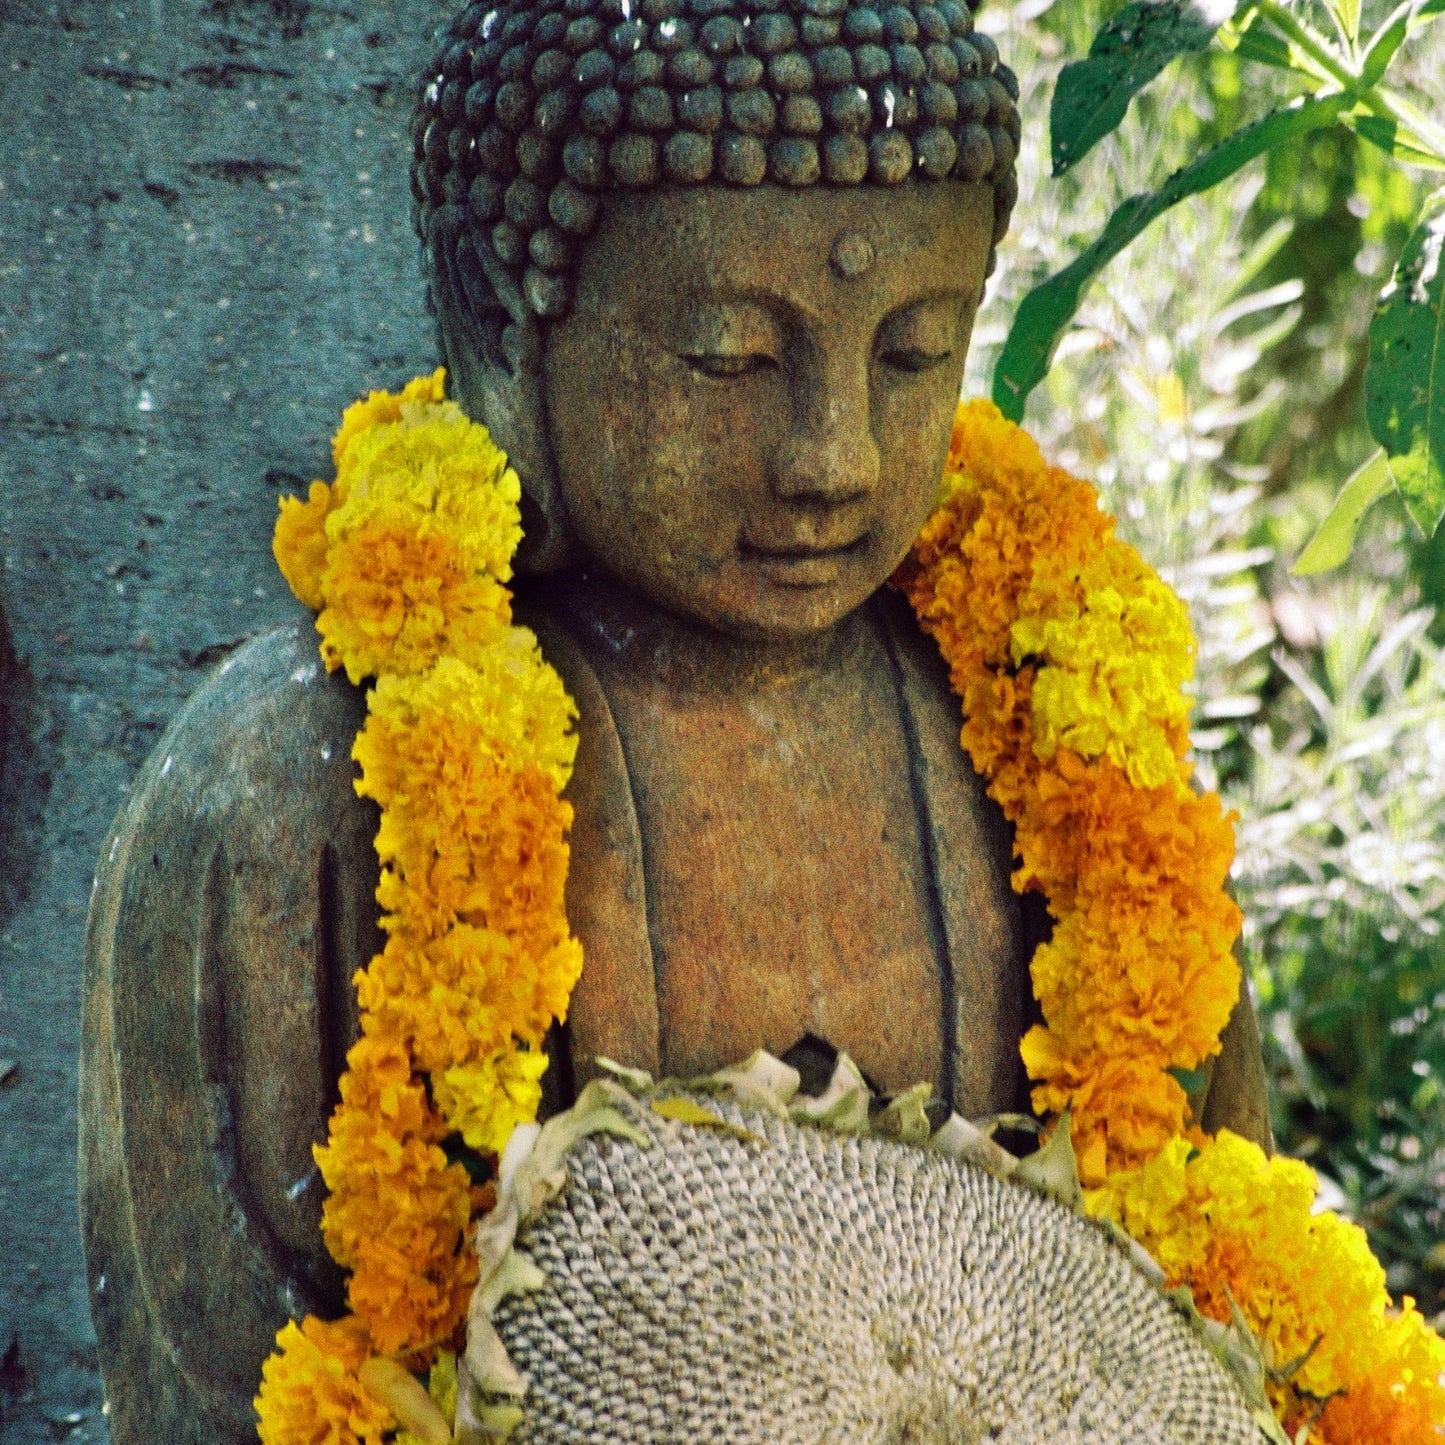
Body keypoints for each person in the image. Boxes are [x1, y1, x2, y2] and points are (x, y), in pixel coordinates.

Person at [79, 1, 1272, 1439]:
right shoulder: (294, 783)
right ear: (496, 311)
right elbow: (217, 1384)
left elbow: (1216, 1317)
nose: (829, 455)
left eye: (907, 357)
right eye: (728, 358)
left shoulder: (1056, 748)